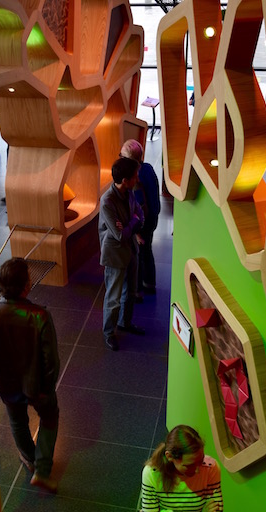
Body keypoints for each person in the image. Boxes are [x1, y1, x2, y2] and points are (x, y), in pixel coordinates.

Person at [0, 258, 60, 493]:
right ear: (25, 286)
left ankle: (30, 459)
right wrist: (47, 389)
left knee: (17, 421)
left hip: (5, 384)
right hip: (37, 386)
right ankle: (42, 469)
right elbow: (50, 362)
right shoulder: (40, 316)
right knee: (50, 416)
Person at [141, 425, 223, 512]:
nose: (198, 470)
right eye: (190, 465)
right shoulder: (151, 474)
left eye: (200, 461)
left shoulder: (211, 468)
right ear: (170, 457)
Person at [99, 156, 145, 352]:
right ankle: (109, 332)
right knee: (114, 296)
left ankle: (125, 323)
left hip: (130, 249)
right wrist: (133, 222)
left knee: (130, 291)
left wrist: (132, 222)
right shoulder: (107, 201)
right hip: (115, 254)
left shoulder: (129, 192)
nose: (137, 179)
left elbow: (140, 214)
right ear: (125, 180)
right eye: (134, 176)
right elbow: (119, 235)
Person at [120, 139, 161, 298]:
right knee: (147, 251)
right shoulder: (148, 169)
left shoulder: (135, 177)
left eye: (122, 156)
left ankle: (136, 291)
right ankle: (149, 283)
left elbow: (138, 206)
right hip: (153, 219)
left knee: (136, 254)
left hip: (142, 224)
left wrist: (135, 231)